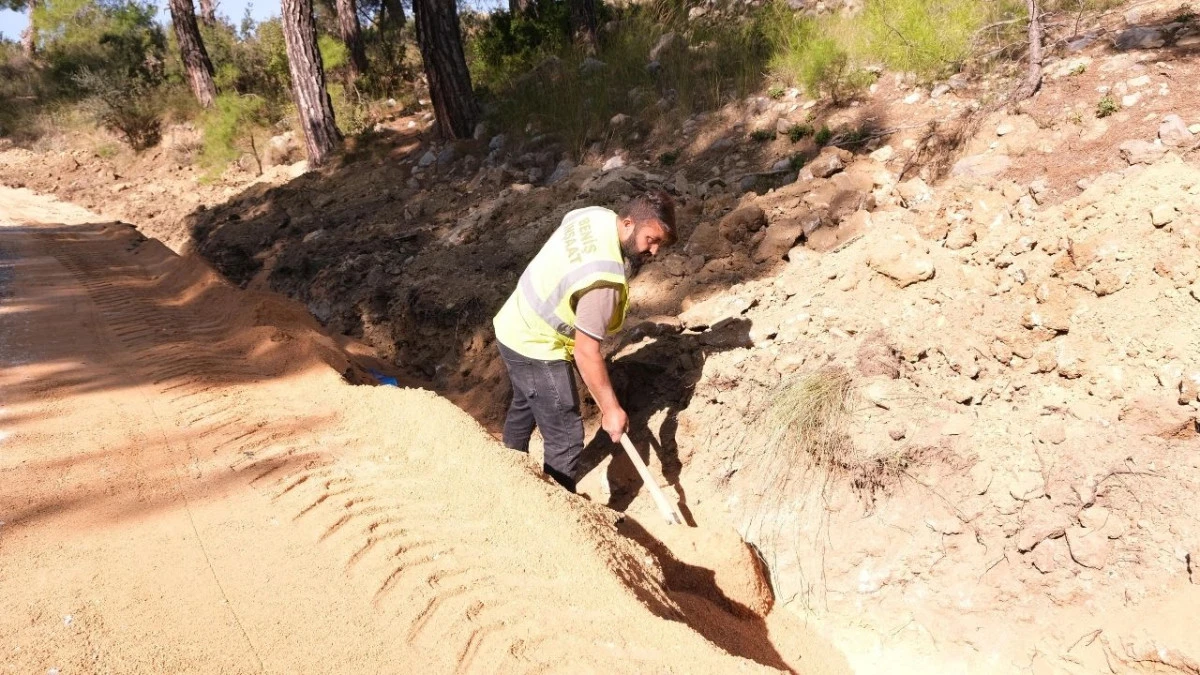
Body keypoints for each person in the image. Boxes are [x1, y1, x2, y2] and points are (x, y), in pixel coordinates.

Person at [492, 190, 677, 492]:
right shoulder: (603, 282)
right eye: (651, 240)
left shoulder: (594, 216)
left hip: (513, 321)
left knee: (526, 402)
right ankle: (559, 515)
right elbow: (586, 352)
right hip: (536, 344)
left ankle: (507, 474)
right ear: (629, 224)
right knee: (564, 436)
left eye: (659, 244)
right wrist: (611, 410)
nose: (654, 251)